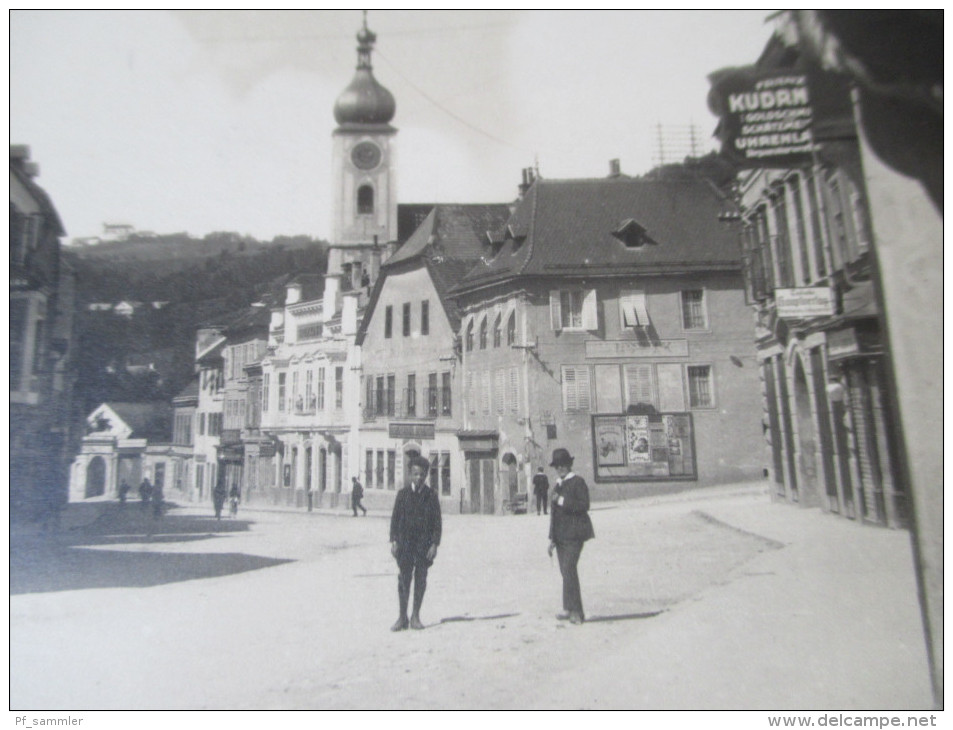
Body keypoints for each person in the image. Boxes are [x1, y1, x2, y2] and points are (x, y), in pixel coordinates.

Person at [389, 456, 441, 631]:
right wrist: (394, 540)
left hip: (423, 547)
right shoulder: (402, 495)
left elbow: (437, 523)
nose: (419, 477)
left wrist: (434, 544)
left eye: (422, 474)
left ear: (426, 475)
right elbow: (395, 520)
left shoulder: (431, 496)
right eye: (415, 474)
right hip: (405, 546)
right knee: (403, 580)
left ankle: (415, 616)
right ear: (410, 474)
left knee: (420, 579)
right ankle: (402, 617)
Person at [547, 448, 595, 625]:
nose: (560, 468)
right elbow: (555, 515)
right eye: (557, 466)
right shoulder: (558, 485)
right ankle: (568, 608)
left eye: (563, 465)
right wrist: (552, 539)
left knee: (569, 570)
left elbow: (584, 505)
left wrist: (561, 501)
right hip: (560, 537)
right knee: (565, 572)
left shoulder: (578, 482)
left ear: (569, 464)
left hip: (575, 535)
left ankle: (577, 612)